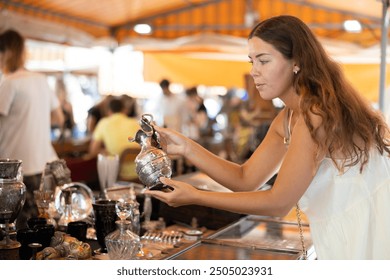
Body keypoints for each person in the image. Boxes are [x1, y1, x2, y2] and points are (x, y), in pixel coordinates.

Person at [146, 15, 390, 259]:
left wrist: (196, 196)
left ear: (297, 62)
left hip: (362, 233)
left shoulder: (315, 114)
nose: (254, 72)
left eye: (263, 61)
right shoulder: (288, 117)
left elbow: (278, 203)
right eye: (252, 61)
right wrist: (187, 147)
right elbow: (245, 178)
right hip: (341, 232)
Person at [0, 29, 64, 229]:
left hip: (13, 170)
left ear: (5, 53)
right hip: (44, 165)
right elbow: (58, 118)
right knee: (42, 229)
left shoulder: (9, 83)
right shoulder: (41, 80)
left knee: (15, 233)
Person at [87, 97, 140, 181]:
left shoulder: (103, 123)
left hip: (117, 174)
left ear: (108, 111)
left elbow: (93, 151)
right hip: (141, 172)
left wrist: (105, 151)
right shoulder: (135, 122)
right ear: (124, 110)